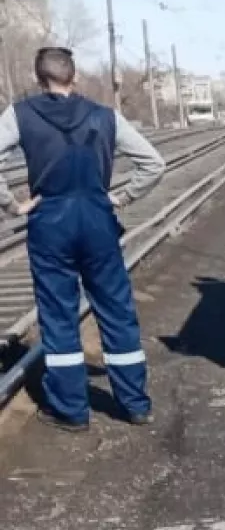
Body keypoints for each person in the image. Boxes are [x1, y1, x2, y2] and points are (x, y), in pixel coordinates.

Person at [0, 48, 166, 432]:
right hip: (97, 220)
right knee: (116, 309)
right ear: (73, 76)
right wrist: (122, 197)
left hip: (49, 222)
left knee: (59, 316)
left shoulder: (20, 115)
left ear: (39, 79)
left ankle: (72, 411)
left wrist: (13, 206)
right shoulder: (105, 115)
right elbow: (153, 163)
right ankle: (135, 404)